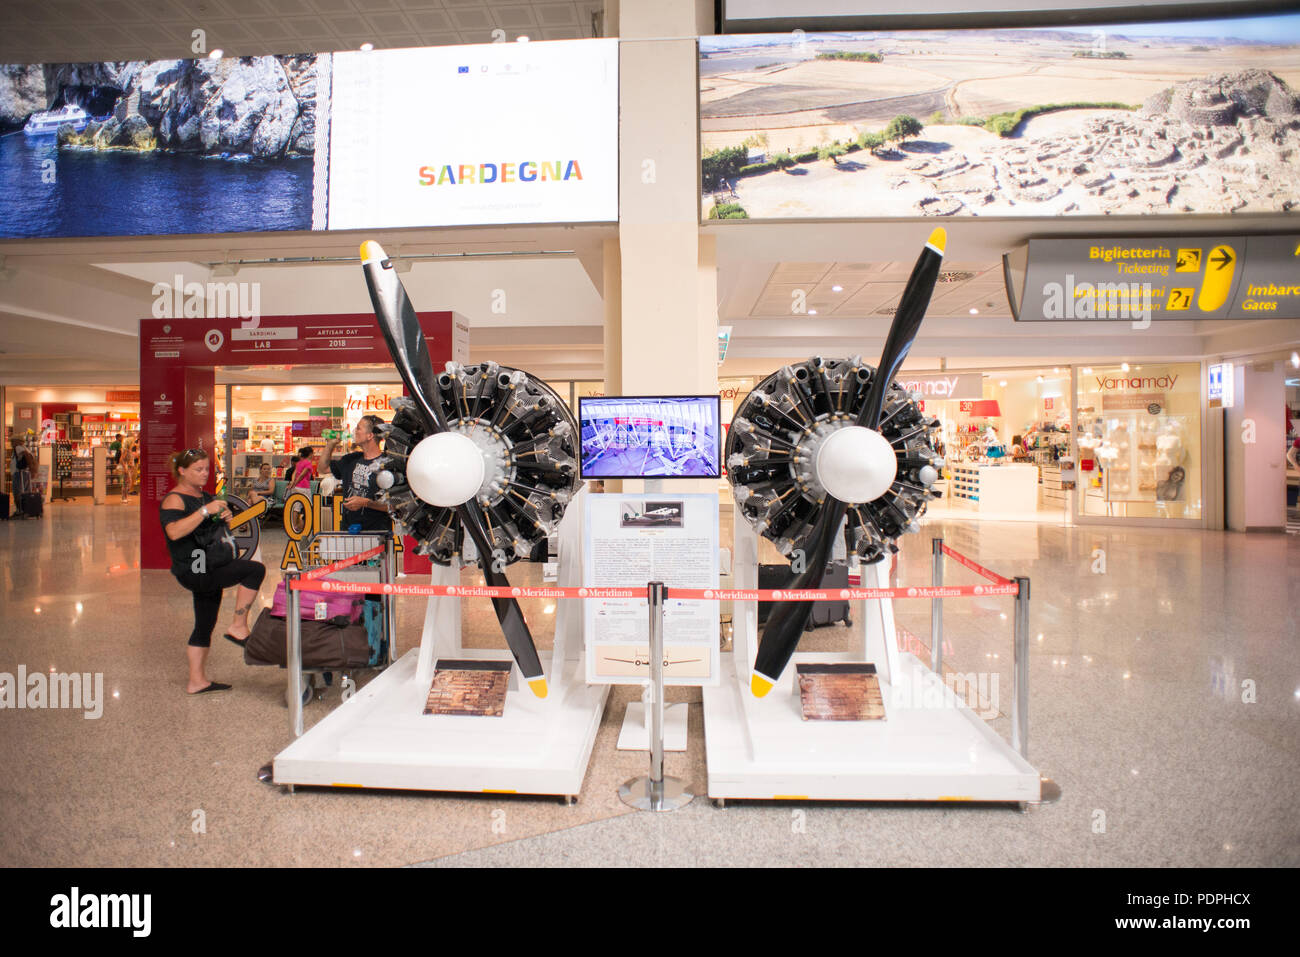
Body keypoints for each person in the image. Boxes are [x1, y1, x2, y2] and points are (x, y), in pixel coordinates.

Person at [159, 448, 266, 695]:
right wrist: (205, 511)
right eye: (198, 469)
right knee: (254, 571)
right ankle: (238, 625)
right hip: (195, 568)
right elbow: (174, 532)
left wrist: (223, 515)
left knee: (204, 624)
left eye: (206, 469)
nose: (204, 474)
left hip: (209, 564)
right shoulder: (175, 499)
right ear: (182, 471)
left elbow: (209, 529)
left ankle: (197, 681)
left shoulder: (204, 495)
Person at [321, 415, 391, 532]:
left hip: (376, 534)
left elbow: (394, 507)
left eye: (358, 428)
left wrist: (366, 503)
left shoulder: (387, 465)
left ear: (370, 435)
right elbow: (323, 468)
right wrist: (330, 445)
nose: (354, 431)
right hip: (348, 530)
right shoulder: (351, 459)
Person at [9, 436, 37, 516]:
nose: (11, 444)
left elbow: (26, 455)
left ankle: (19, 510)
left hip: (19, 473)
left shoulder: (18, 447)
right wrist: (32, 468)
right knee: (25, 491)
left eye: (12, 442)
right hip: (24, 473)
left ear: (17, 441)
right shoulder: (25, 448)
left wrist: (31, 468)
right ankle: (26, 509)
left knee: (17, 492)